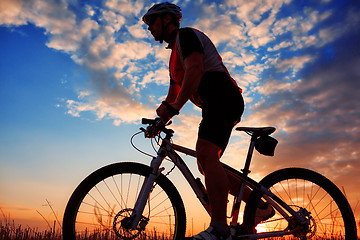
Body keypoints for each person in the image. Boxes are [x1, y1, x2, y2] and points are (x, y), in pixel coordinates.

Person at [142, 2, 273, 240]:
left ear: (167, 20)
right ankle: (260, 207)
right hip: (215, 101)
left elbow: (195, 70)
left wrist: (174, 108)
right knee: (205, 162)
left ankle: (219, 227)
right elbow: (172, 95)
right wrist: (158, 119)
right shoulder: (173, 58)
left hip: (222, 96)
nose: (149, 28)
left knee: (204, 153)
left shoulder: (186, 36)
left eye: (152, 22)